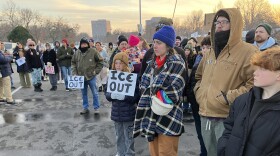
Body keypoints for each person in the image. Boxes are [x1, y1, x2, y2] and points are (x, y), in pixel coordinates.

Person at [194, 8, 258, 156]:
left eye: (224, 22)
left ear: (234, 25)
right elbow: (198, 77)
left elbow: (255, 83)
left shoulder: (248, 51)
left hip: (228, 120)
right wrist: (200, 93)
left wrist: (228, 97)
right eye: (217, 22)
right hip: (205, 116)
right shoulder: (210, 51)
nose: (219, 25)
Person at [133, 26, 186, 156]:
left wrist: (153, 90)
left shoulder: (177, 63)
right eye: (154, 42)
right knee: (154, 153)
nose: (154, 46)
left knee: (166, 153)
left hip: (169, 118)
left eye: (159, 43)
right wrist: (155, 90)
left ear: (168, 45)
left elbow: (174, 93)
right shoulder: (152, 63)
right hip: (151, 118)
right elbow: (143, 86)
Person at [217, 47, 280, 156]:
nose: (255, 73)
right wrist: (223, 150)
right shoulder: (242, 100)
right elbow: (228, 129)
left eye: (263, 69)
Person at [105, 52, 140, 156]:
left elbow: (136, 96)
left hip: (128, 114)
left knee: (129, 136)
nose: (118, 65)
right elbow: (107, 95)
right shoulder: (111, 77)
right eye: (116, 63)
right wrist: (112, 96)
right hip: (116, 113)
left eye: (120, 63)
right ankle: (120, 153)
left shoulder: (132, 78)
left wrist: (125, 97)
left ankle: (129, 153)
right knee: (119, 136)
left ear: (125, 64)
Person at [186, 36, 211, 156]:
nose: (205, 50)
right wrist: (195, 100)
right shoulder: (198, 63)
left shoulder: (216, 66)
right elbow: (191, 85)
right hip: (197, 107)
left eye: (208, 47)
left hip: (211, 109)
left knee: (211, 139)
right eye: (204, 47)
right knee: (201, 135)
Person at [71, 38, 103, 114]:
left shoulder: (93, 51)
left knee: (95, 92)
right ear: (80, 45)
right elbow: (73, 63)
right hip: (81, 77)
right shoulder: (77, 53)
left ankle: (96, 108)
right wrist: (74, 73)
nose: (84, 45)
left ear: (87, 44)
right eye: (82, 44)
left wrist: (96, 71)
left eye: (85, 44)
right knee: (83, 93)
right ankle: (85, 107)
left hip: (91, 76)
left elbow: (101, 61)